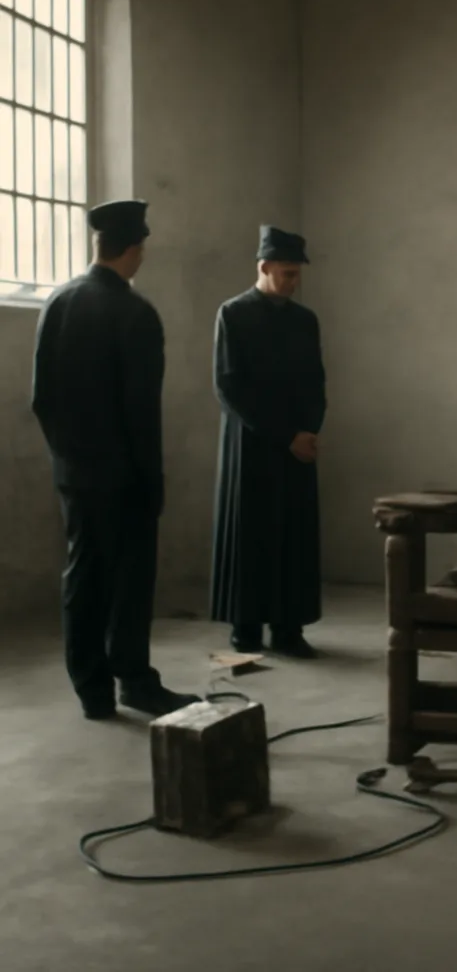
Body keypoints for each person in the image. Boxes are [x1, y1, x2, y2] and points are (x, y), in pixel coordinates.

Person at [30, 200, 201, 720]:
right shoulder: (135, 313)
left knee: (83, 576)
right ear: (135, 250)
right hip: (124, 477)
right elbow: (140, 412)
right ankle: (134, 681)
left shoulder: (57, 303)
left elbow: (42, 399)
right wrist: (152, 481)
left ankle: (91, 691)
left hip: (75, 474)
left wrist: (69, 460)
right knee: (129, 581)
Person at [210, 225, 326, 658]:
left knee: (293, 534)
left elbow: (317, 381)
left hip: (298, 442)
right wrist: (286, 434)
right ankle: (245, 628)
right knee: (251, 532)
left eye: (297, 275)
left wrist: (311, 429)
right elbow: (229, 386)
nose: (293, 282)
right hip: (252, 442)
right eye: (286, 274)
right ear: (264, 268)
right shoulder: (233, 314)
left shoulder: (304, 320)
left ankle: (288, 628)